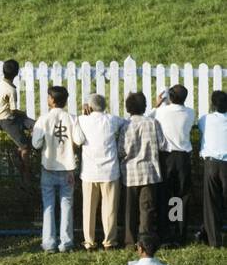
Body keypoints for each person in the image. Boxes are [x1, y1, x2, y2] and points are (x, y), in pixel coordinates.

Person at [32, 86, 82, 253]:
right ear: (65, 100)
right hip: (68, 168)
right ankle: (66, 242)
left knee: (49, 205)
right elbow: (79, 139)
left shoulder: (44, 119)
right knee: (66, 204)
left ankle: (49, 243)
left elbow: (36, 144)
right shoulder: (72, 118)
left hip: (48, 166)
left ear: (52, 100)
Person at [78, 94, 125, 251]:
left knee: (89, 208)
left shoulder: (82, 120)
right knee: (110, 208)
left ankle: (89, 242)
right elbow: (127, 123)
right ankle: (109, 241)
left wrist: (85, 112)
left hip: (89, 173)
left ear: (89, 107)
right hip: (110, 172)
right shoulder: (112, 120)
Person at [120, 92, 164, 249]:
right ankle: (145, 240)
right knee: (147, 208)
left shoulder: (125, 125)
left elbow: (121, 150)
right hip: (150, 172)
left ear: (128, 108)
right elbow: (162, 144)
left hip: (130, 173)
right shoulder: (152, 123)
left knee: (129, 210)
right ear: (144, 106)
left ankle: (129, 241)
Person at [153, 85, 195, 247]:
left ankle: (165, 233)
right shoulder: (190, 113)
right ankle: (179, 233)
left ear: (169, 97)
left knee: (164, 195)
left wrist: (158, 104)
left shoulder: (162, 111)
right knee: (180, 196)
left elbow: (150, 116)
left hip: (166, 157)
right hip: (183, 158)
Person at [0, 60, 35, 183]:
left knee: (34, 125)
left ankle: (21, 150)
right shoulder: (11, 90)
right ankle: (26, 173)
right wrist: (23, 113)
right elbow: (13, 111)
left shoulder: (0, 83)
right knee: (25, 147)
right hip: (7, 120)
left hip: (9, 117)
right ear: (17, 73)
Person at [199, 90, 227, 248]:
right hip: (226, 163)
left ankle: (214, 241)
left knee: (211, 203)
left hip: (211, 164)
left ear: (213, 104)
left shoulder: (206, 119)